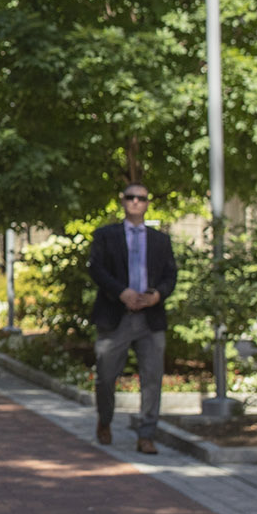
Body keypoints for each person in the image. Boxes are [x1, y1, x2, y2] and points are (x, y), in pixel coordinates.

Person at [86, 183, 178, 455]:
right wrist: (121, 292)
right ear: (123, 201)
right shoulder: (105, 235)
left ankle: (146, 434)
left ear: (148, 203)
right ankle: (105, 420)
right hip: (116, 316)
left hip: (150, 319)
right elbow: (97, 269)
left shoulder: (160, 239)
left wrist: (157, 296)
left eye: (141, 198)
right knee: (105, 376)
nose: (136, 202)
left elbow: (171, 276)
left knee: (152, 378)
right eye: (131, 197)